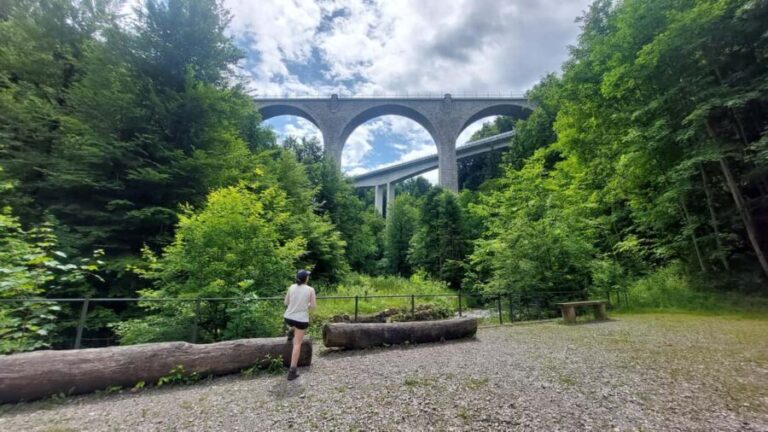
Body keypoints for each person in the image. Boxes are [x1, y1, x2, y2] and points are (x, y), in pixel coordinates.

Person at [283, 269, 316, 381]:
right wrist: (306, 304)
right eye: (308, 276)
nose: (308, 277)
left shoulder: (291, 287)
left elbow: (286, 303)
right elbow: (313, 306)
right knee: (297, 344)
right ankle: (292, 371)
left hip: (288, 317)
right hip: (301, 320)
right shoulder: (310, 290)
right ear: (305, 278)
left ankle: (291, 331)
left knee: (293, 325)